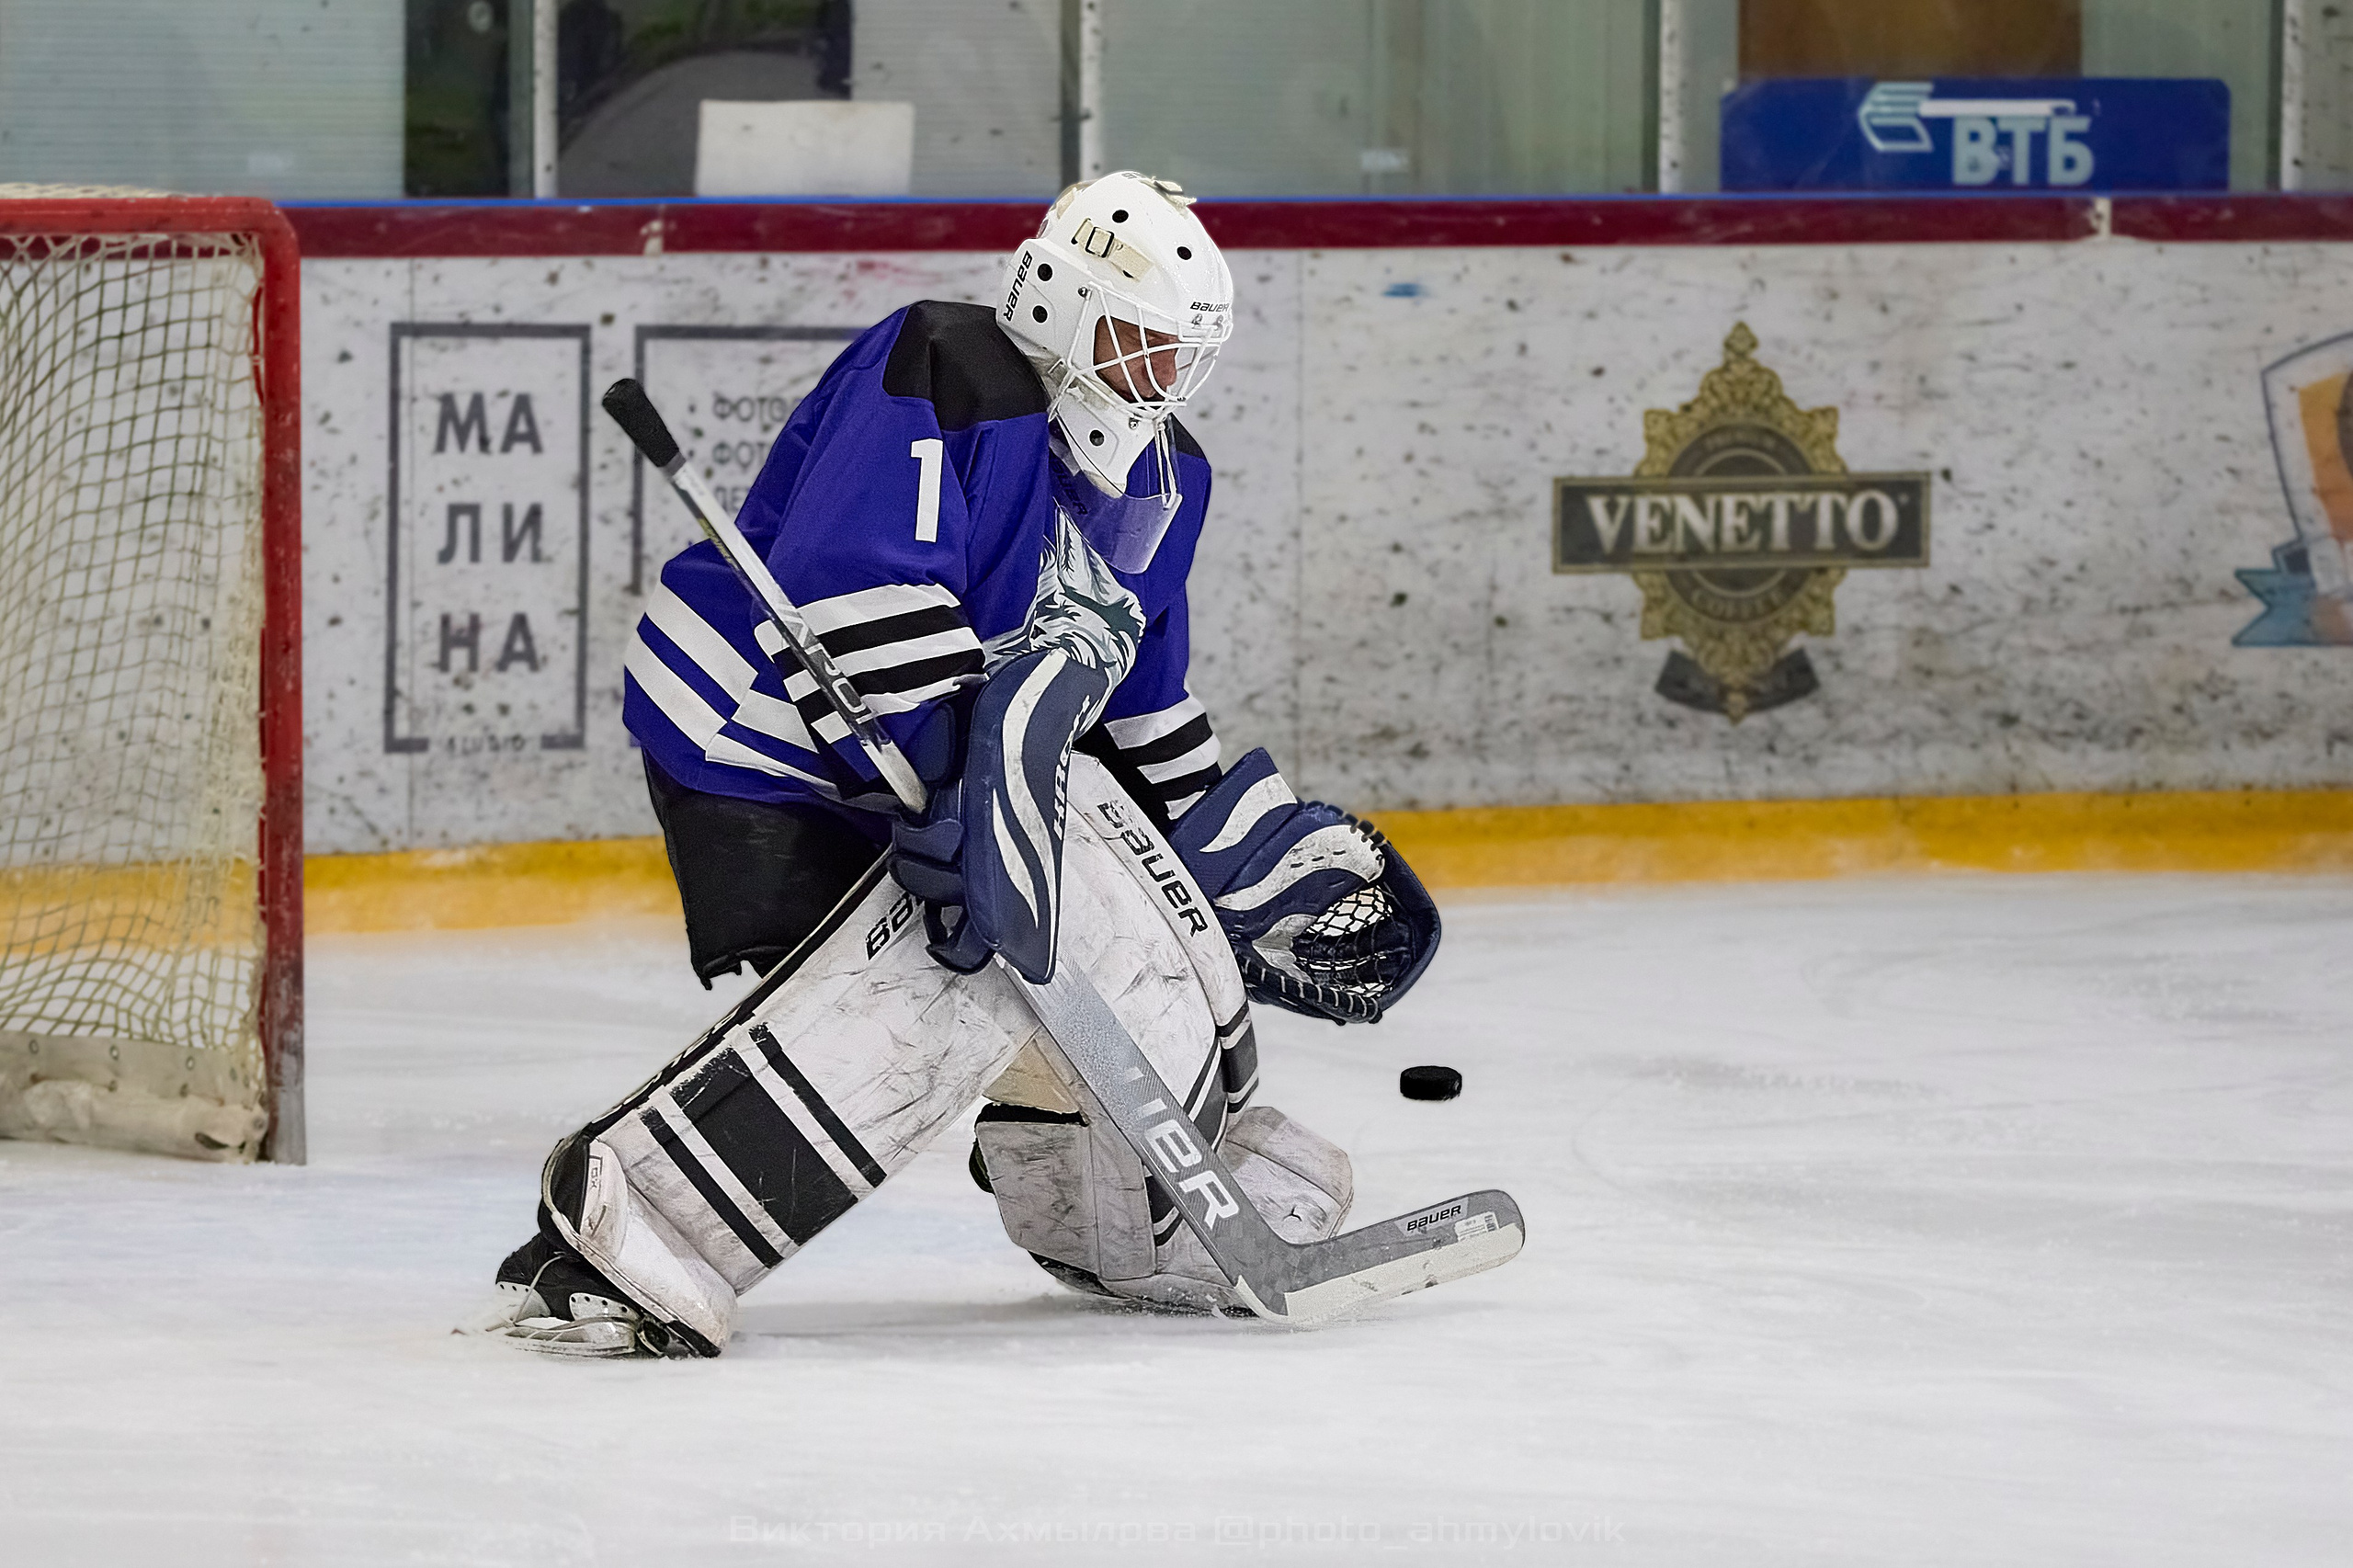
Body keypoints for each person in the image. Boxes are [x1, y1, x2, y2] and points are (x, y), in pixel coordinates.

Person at [468, 172, 1440, 1357]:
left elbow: (1138, 694)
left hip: (954, 765)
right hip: (766, 738)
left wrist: (1232, 846)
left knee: (1126, 932)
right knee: (939, 978)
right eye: (1138, 344)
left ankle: (1112, 1205)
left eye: (1182, 357)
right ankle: (629, 1230)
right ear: (1056, 304)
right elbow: (859, 576)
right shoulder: (952, 370)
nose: (1159, 382)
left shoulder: (1166, 482)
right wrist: (963, 786)